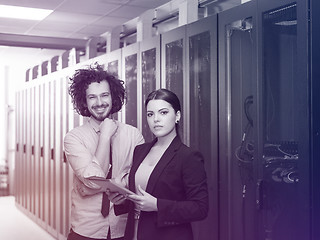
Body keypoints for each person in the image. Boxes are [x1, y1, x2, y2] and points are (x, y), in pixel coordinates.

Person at [111, 89, 209, 240]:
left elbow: (200, 208)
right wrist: (122, 200)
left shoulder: (188, 157)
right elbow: (139, 199)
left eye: (163, 113)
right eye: (150, 114)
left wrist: (157, 205)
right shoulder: (140, 150)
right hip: (134, 233)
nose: (156, 119)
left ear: (177, 116)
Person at [64, 63, 144, 240]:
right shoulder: (74, 138)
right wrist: (105, 136)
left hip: (122, 228)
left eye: (104, 95)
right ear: (84, 101)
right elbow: (93, 183)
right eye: (92, 97)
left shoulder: (133, 135)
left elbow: (139, 181)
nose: (99, 103)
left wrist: (111, 184)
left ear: (113, 96)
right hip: (85, 230)